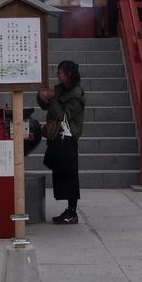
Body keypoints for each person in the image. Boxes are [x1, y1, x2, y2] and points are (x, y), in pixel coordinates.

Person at [38, 59, 86, 224]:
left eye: (60, 72)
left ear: (69, 74)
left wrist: (51, 100)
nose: (58, 75)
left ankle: (72, 211)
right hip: (57, 138)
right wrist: (42, 96)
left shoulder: (77, 93)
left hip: (68, 138)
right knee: (60, 173)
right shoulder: (58, 89)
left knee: (70, 174)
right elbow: (45, 105)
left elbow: (63, 115)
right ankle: (68, 210)